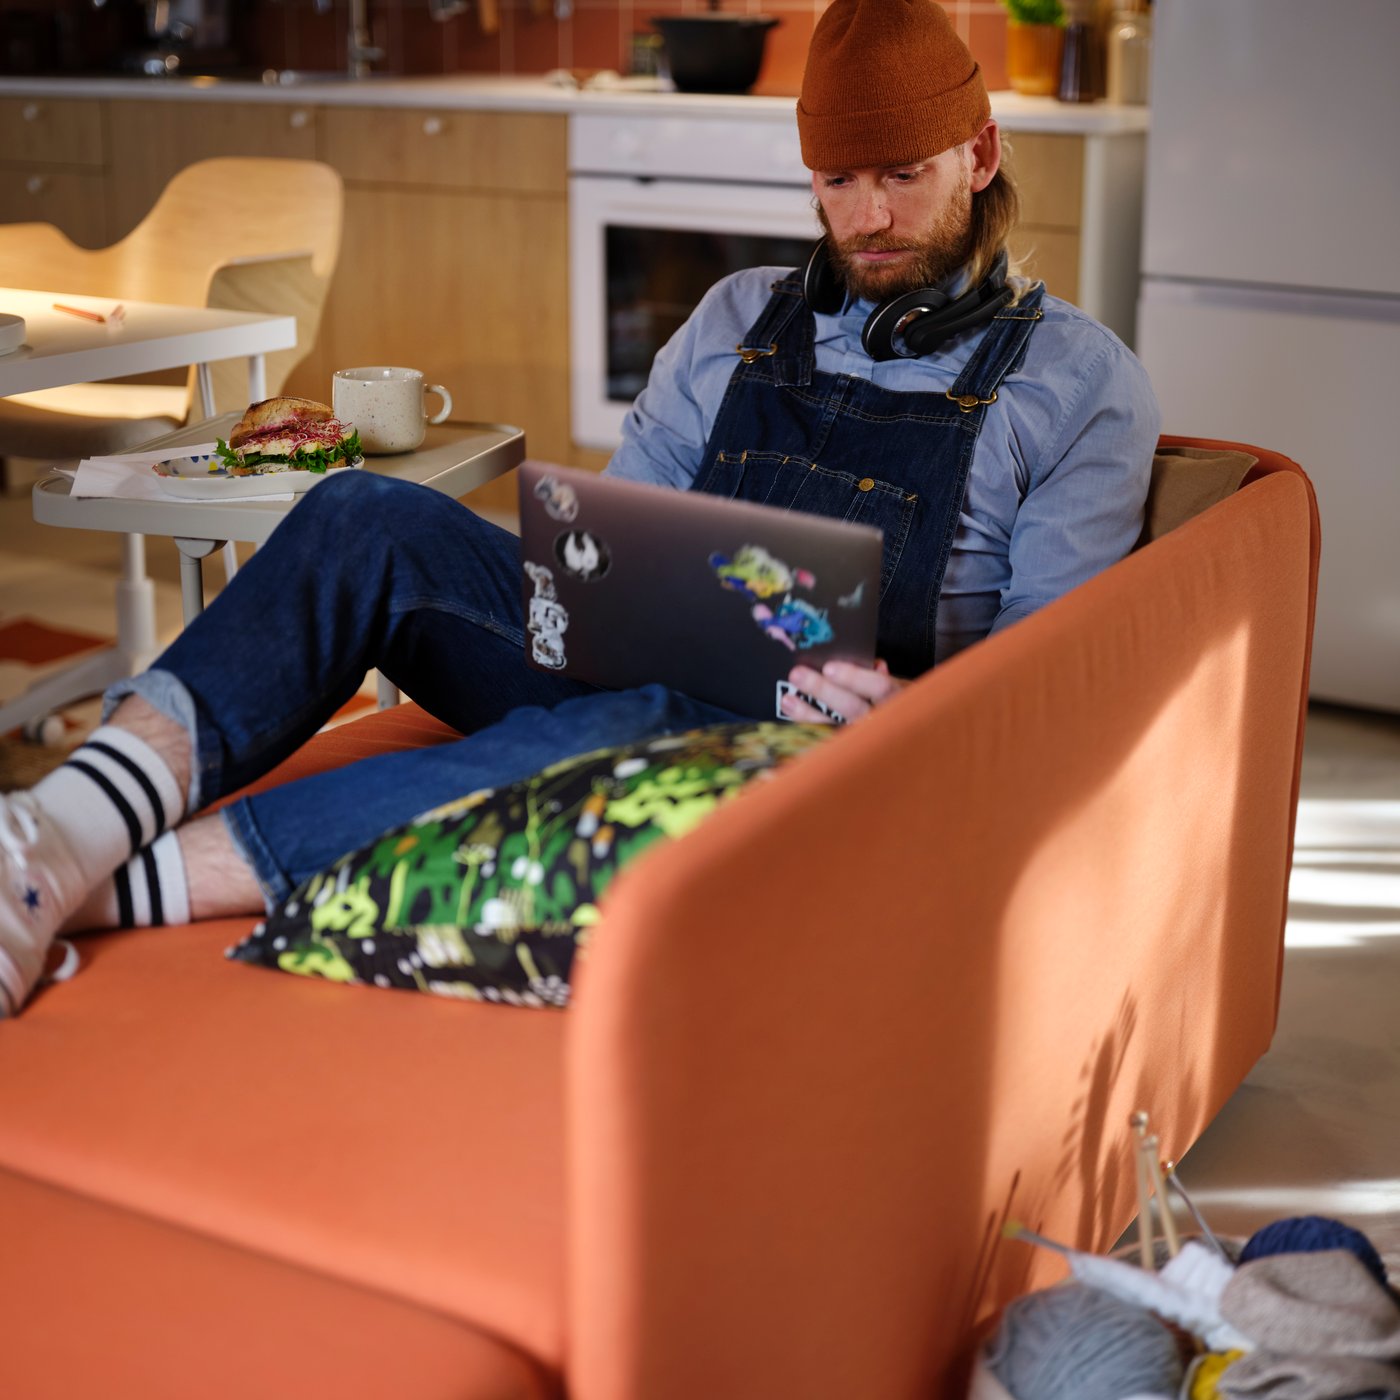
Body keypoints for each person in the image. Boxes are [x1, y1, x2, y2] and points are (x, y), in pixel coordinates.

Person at [0, 0, 1159, 1018]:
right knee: (359, 513)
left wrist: (907, 714)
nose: (867, 218)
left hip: (840, 756)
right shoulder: (736, 316)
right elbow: (615, 558)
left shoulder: (1078, 382)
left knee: (635, 721)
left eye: (902, 175)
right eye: (836, 181)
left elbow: (1047, 682)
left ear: (978, 152)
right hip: (646, 672)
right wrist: (586, 573)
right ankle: (54, 828)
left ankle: (85, 888)